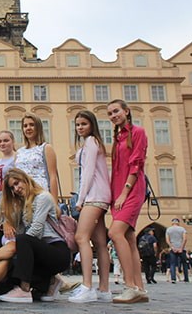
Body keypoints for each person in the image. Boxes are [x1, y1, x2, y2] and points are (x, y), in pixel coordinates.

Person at [0, 168, 71, 303]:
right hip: (40, 253)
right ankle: (51, 281)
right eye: (12, 187)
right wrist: (6, 221)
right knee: (12, 272)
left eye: (17, 183)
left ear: (25, 180)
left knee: (23, 241)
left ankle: (24, 289)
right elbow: (19, 231)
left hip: (57, 251)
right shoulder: (23, 204)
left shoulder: (43, 197)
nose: (16, 188)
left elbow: (36, 230)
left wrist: (18, 248)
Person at [107, 99, 149, 303]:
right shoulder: (117, 137)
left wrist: (124, 193)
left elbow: (136, 165)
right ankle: (139, 288)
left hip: (131, 190)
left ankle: (130, 285)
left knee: (114, 233)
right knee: (130, 239)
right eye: (110, 113)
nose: (113, 115)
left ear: (126, 111)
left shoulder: (138, 132)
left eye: (116, 111)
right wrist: (113, 195)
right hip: (117, 192)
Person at [68, 110, 113, 303]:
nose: (80, 128)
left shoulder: (91, 143)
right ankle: (104, 289)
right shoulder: (93, 143)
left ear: (92, 125)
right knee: (101, 243)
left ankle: (87, 286)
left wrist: (80, 199)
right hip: (100, 195)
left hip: (94, 196)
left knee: (81, 237)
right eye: (77, 124)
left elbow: (87, 174)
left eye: (84, 124)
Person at [14, 113, 58, 200]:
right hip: (22, 196)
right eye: (25, 126)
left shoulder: (46, 148)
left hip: (40, 194)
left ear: (38, 127)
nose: (28, 128)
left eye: (32, 125)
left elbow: (52, 176)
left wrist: (54, 202)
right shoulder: (19, 152)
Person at [0, 130, 16, 208]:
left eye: (6, 141)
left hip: (12, 201)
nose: (2, 143)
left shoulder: (17, 158)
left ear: (13, 141)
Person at [166, 218, 189, 283]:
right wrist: (181, 248)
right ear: (178, 223)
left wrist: (172, 247)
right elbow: (185, 239)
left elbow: (167, 240)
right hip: (182, 249)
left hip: (173, 249)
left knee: (172, 264)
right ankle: (186, 278)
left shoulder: (169, 229)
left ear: (172, 222)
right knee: (184, 264)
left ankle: (173, 278)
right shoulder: (182, 229)